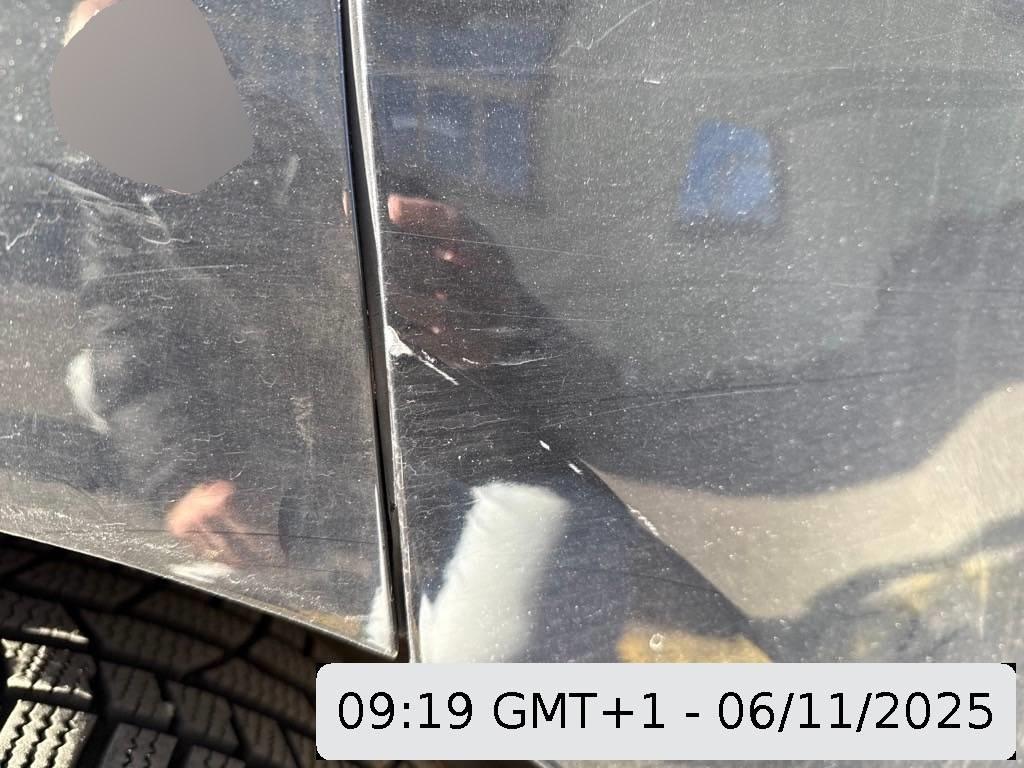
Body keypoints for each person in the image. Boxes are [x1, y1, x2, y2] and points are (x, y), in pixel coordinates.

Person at [57, 0, 367, 569]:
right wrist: (185, 480)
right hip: (225, 388)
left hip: (328, 388)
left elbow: (339, 317)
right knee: (92, 373)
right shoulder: (113, 190)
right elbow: (123, 325)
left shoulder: (284, 151)